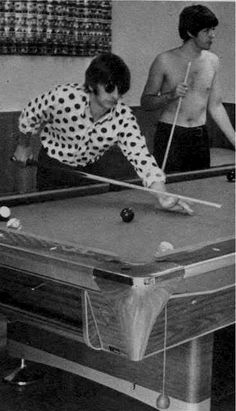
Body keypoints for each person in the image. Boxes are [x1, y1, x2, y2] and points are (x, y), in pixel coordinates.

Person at [13, 53, 192, 214]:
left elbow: (141, 157)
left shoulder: (122, 117)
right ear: (92, 84)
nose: (115, 96)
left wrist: (162, 195)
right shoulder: (63, 97)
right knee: (50, 217)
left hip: (88, 171)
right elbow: (30, 115)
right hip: (52, 168)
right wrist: (23, 145)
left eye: (120, 90)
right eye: (109, 88)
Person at [141, 4, 235, 173]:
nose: (212, 35)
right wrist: (170, 95)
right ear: (191, 32)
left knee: (199, 189)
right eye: (207, 31)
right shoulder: (164, 60)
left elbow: (216, 105)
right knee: (170, 191)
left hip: (200, 137)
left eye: (213, 29)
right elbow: (146, 102)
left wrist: (235, 141)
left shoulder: (213, 61)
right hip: (171, 134)